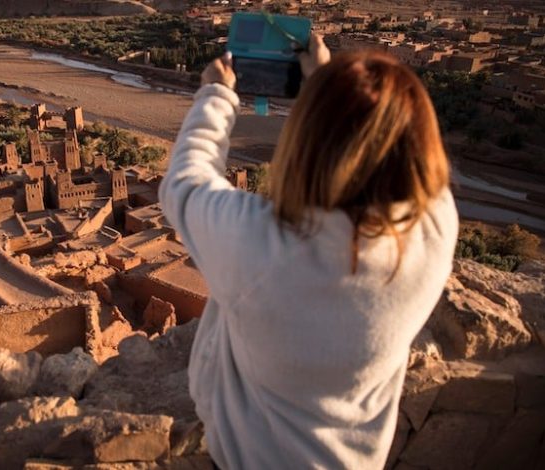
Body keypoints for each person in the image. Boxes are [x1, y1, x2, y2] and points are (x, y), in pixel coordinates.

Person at [158, 35, 458, 469]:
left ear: (303, 144)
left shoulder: (262, 245)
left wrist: (216, 94)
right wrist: (328, 82)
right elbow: (421, 171)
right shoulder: (434, 232)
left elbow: (186, 183)